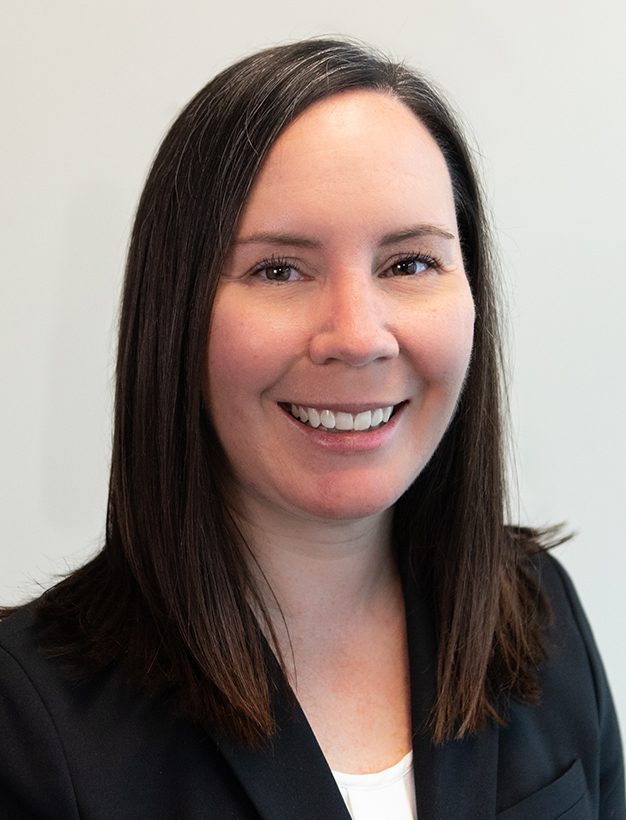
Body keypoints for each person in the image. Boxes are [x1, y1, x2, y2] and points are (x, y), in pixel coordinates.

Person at [0, 38, 623, 820]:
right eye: (278, 270)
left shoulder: (539, 611)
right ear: (176, 317)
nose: (358, 336)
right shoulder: (27, 722)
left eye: (409, 264)